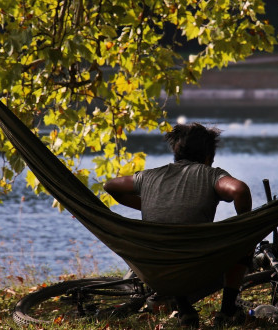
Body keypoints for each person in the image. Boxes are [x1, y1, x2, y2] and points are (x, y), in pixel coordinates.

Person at [104, 122, 252, 327]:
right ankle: (227, 311)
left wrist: (145, 204)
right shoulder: (210, 174)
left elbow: (110, 185)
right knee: (245, 239)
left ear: (177, 153)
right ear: (208, 157)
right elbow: (240, 190)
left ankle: (185, 309)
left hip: (156, 273)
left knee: (174, 246)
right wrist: (245, 223)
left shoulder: (148, 177)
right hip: (197, 267)